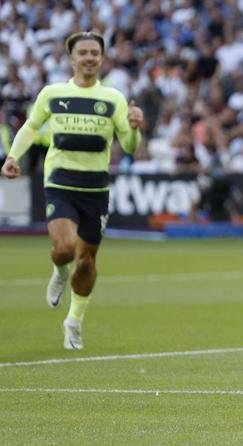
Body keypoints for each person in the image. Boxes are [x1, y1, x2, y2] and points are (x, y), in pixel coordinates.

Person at [1, 31, 144, 350]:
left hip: (95, 189)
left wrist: (134, 128)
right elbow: (31, 127)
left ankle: (74, 321)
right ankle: (58, 271)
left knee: (87, 262)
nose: (90, 57)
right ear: (72, 58)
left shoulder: (114, 99)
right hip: (60, 182)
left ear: (102, 58)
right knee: (65, 249)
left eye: (95, 52)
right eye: (83, 52)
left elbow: (130, 146)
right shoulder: (53, 93)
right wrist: (13, 157)